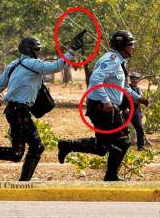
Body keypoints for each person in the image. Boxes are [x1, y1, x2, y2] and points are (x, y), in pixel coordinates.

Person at [0, 36, 82, 181]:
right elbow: (56, 67)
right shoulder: (33, 64)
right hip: (19, 112)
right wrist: (72, 50)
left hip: (14, 111)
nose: (39, 52)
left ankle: (20, 179)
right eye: (37, 49)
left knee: (16, 154)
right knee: (37, 147)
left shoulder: (13, 64)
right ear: (29, 50)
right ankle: (24, 182)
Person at [57, 30, 149, 181]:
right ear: (121, 46)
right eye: (130, 44)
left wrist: (138, 98)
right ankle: (111, 176)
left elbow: (123, 87)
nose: (133, 47)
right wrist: (106, 101)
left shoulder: (119, 61)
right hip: (102, 108)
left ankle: (67, 145)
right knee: (122, 141)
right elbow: (95, 79)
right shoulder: (112, 60)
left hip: (105, 107)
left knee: (101, 148)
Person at [128, 72, 149, 151]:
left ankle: (141, 146)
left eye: (136, 79)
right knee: (122, 129)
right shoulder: (127, 88)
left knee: (139, 128)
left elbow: (139, 99)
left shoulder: (138, 89)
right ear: (131, 79)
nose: (135, 80)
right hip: (127, 110)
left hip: (136, 111)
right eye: (133, 79)